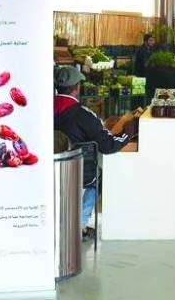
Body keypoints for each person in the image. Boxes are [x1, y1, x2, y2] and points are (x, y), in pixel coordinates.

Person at [54, 66, 135, 237]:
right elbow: (108, 146)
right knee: (98, 178)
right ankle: (79, 225)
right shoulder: (84, 115)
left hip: (47, 169)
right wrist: (127, 134)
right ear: (77, 87)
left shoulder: (42, 110)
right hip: (79, 172)